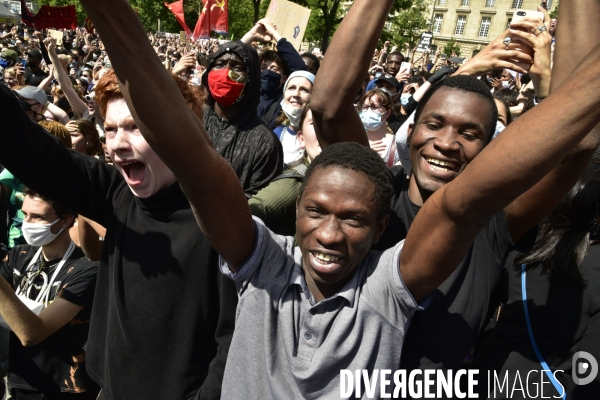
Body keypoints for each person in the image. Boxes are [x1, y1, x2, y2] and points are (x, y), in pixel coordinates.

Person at [81, 0, 600, 398]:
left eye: (352, 218)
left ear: (380, 232)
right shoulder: (262, 262)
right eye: (316, 211)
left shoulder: (388, 288)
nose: (329, 234)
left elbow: (462, 205)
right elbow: (197, 164)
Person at [310, 0, 600, 390]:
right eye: (434, 124)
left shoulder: (498, 221)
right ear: (410, 132)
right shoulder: (372, 191)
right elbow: (328, 109)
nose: (446, 143)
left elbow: (579, 142)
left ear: (491, 148)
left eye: (470, 133)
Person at [0, 69, 238, 399]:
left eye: (135, 128)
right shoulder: (117, 192)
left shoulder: (221, 221)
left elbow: (233, 338)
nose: (118, 144)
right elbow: (36, 155)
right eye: (110, 129)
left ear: (179, 130)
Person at [471, 161, 600, 398]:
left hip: (489, 383)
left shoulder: (516, 253)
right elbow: (590, 370)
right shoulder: (595, 267)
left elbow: (487, 326)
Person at [0, 188, 99, 399]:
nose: (27, 223)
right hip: (22, 380)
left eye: (38, 217)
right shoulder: (20, 255)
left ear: (66, 220)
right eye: (25, 214)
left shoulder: (86, 269)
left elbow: (32, 334)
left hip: (63, 387)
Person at [201, 40, 283, 197]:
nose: (226, 72)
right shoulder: (192, 122)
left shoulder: (265, 143)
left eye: (237, 67)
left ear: (251, 78)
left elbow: (257, 205)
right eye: (219, 64)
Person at [249, 105, 320, 236]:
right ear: (301, 138)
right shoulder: (294, 184)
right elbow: (242, 219)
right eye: (315, 123)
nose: (325, 130)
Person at [241, 18, 308, 130]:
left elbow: (300, 70)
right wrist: (251, 34)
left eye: (274, 69)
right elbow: (229, 60)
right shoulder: (248, 94)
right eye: (263, 67)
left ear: (284, 78)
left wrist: (274, 34)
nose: (267, 71)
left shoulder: (286, 101)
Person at [272, 70, 315, 165]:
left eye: (304, 90)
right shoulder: (275, 135)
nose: (296, 94)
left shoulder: (318, 137)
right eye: (291, 88)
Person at [358, 88, 396, 164]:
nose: (368, 111)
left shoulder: (396, 145)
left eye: (374, 107)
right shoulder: (354, 140)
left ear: (387, 113)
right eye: (365, 107)